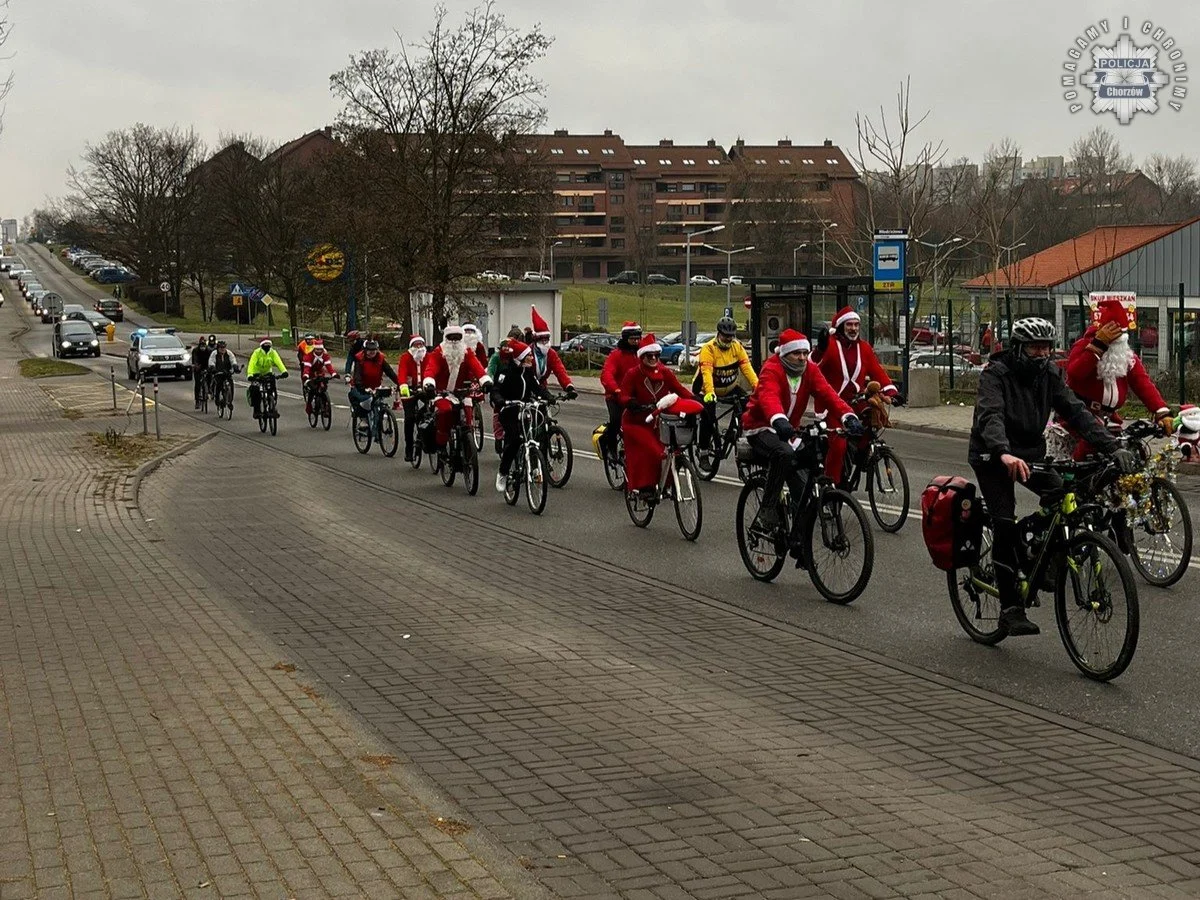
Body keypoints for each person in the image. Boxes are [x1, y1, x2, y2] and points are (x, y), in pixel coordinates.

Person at [970, 317, 1137, 637]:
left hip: (1030, 453)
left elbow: (1076, 412)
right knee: (1004, 523)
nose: (1042, 354)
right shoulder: (995, 374)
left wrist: (1112, 447)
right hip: (993, 455)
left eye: (1047, 348)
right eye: (1035, 348)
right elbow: (990, 415)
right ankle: (1010, 608)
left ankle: (1039, 556)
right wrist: (1003, 451)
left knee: (1061, 496)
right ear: (1018, 348)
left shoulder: (1049, 373)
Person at [742, 329, 861, 550]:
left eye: (805, 353)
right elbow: (768, 397)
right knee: (784, 454)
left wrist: (848, 416)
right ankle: (767, 510)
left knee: (805, 479)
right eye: (797, 353)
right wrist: (778, 420)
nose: (802, 358)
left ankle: (799, 540)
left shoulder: (809, 370)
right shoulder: (772, 368)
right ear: (785, 353)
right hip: (761, 428)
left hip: (789, 431)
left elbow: (828, 394)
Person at [1065, 298, 1173, 457]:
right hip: (1079, 417)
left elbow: (1142, 383)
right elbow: (1075, 373)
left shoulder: (1126, 355)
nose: (1118, 341)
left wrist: (1160, 410)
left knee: (1128, 454)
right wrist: (1097, 347)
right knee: (1082, 458)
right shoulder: (1084, 347)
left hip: (1110, 419)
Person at [811, 306, 902, 485]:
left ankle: (859, 458)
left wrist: (893, 392)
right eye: (849, 325)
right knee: (839, 445)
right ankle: (831, 485)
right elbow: (813, 365)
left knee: (872, 422)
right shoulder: (830, 345)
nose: (853, 329)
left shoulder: (864, 348)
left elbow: (877, 371)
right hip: (833, 405)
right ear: (841, 327)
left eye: (856, 325)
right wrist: (819, 349)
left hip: (856, 401)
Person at [617, 333, 699, 498]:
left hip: (657, 421)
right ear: (642, 356)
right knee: (653, 451)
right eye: (649, 355)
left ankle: (666, 482)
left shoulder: (665, 372)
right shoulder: (634, 374)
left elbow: (679, 389)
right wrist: (631, 402)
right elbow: (623, 395)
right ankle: (644, 487)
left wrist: (695, 399)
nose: (653, 358)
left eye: (656, 355)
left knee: (670, 451)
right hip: (636, 422)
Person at [491, 340, 552, 491]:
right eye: (528, 356)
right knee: (515, 439)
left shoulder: (528, 373)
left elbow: (538, 388)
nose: (531, 358)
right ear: (519, 358)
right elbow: (495, 390)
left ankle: (534, 465)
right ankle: (503, 472)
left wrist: (548, 396)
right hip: (509, 411)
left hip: (525, 410)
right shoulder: (505, 373)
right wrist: (499, 399)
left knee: (533, 435)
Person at [421, 324, 492, 451]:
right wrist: (429, 384)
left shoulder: (467, 352)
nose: (454, 341)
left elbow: (477, 367)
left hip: (462, 392)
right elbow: (431, 369)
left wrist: (485, 381)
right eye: (451, 338)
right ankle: (441, 443)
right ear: (445, 338)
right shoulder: (438, 352)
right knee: (445, 411)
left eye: (457, 338)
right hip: (442, 393)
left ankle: (467, 444)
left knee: (468, 414)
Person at [693, 315, 758, 447]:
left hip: (730, 387)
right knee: (708, 417)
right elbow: (707, 373)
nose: (728, 339)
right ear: (719, 334)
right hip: (705, 389)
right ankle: (704, 450)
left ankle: (733, 431)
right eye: (725, 336)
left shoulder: (737, 347)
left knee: (748, 405)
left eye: (731, 336)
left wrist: (758, 386)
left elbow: (747, 369)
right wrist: (710, 392)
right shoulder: (709, 348)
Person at [598, 321, 643, 457]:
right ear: (625, 339)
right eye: (632, 339)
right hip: (615, 396)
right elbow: (606, 374)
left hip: (634, 397)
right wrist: (616, 390)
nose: (635, 342)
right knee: (616, 420)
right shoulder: (616, 355)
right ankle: (610, 446)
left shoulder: (642, 354)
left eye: (637, 339)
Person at [348, 339, 399, 426]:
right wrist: (361, 387)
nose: (372, 352)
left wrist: (400, 382)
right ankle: (363, 419)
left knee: (379, 404)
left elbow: (390, 372)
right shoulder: (360, 359)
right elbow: (357, 375)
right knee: (362, 401)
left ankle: (378, 425)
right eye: (369, 350)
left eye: (374, 350)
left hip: (375, 387)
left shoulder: (381, 359)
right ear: (365, 350)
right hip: (362, 387)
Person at [529, 307, 577, 397]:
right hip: (526, 387)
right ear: (535, 341)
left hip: (542, 387)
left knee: (545, 409)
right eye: (542, 341)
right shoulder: (528, 353)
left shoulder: (551, 354)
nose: (545, 343)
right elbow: (527, 375)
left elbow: (560, 370)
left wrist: (568, 386)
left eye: (547, 340)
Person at [396, 335, 428, 461]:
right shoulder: (405, 358)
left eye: (421, 344)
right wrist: (403, 387)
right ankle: (409, 448)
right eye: (416, 345)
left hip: (425, 389)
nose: (419, 347)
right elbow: (402, 373)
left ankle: (425, 437)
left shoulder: (428, 356)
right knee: (409, 418)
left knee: (430, 411)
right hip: (409, 390)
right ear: (411, 347)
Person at [245, 339, 289, 417]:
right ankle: (257, 410)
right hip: (256, 373)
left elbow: (278, 362)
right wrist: (250, 375)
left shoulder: (272, 352)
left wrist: (284, 371)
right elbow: (251, 364)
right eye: (265, 346)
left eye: (269, 346)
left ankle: (272, 406)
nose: (267, 347)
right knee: (255, 390)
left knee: (272, 387)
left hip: (267, 373)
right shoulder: (257, 352)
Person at [486, 338, 515, 454]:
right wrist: (489, 381)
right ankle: (498, 437)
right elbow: (491, 370)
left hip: (511, 387)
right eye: (505, 346)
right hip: (498, 387)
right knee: (498, 412)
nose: (507, 349)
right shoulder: (496, 358)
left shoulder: (513, 357)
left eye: (509, 346)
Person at [190, 336, 213, 409]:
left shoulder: (209, 351)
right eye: (201, 346)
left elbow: (211, 360)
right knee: (197, 384)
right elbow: (195, 359)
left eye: (204, 346)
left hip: (206, 366)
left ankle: (209, 389)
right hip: (198, 367)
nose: (203, 347)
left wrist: (210, 367)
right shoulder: (195, 350)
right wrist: (196, 366)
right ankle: (197, 401)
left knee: (210, 377)